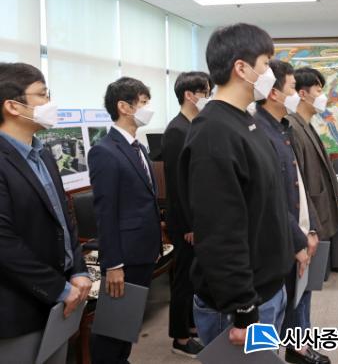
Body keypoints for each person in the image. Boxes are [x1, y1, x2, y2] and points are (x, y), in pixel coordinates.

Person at [178, 23, 293, 347]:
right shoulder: (213, 132)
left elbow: (264, 201)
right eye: (265, 64)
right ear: (241, 68)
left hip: (267, 289)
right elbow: (220, 232)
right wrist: (243, 309)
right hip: (240, 305)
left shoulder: (245, 120)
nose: (270, 73)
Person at [0, 62, 91, 355]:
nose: (50, 103)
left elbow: (64, 218)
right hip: (19, 309)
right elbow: (4, 243)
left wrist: (78, 271)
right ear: (12, 106)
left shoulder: (43, 154)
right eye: (42, 94)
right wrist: (59, 288)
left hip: (61, 298)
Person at [253, 60, 330, 364]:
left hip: (296, 232)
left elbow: (297, 185)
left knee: (295, 297)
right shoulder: (259, 132)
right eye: (292, 88)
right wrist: (297, 240)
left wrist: (309, 230)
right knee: (270, 314)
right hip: (278, 239)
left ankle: (297, 347)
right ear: (273, 93)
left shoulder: (282, 127)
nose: (297, 94)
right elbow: (268, 198)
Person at [88, 77, 162, 364]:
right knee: (113, 327)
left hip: (144, 251)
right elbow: (106, 213)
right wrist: (113, 264)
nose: (147, 108)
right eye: (143, 102)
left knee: (128, 322)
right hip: (124, 256)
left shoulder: (138, 147)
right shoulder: (105, 151)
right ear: (124, 107)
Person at [162, 71, 211, 357]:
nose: (209, 97)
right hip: (185, 222)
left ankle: (192, 327)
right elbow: (178, 185)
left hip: (197, 217)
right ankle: (180, 338)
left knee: (195, 277)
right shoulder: (176, 130)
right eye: (205, 92)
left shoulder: (194, 125)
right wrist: (190, 225)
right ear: (189, 95)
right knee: (183, 280)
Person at [287, 67, 338, 243]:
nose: (323, 97)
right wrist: (310, 227)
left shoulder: (307, 125)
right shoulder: (293, 128)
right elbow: (297, 184)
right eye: (318, 91)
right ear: (303, 94)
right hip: (309, 224)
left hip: (320, 216)